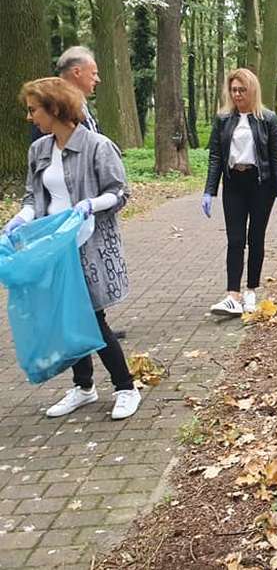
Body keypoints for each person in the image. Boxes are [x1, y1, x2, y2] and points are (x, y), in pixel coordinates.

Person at [2, 78, 141, 420]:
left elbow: (120, 192)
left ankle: (125, 387)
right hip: (53, 245)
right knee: (66, 314)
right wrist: (22, 216)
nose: (30, 117)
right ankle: (84, 386)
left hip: (86, 242)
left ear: (55, 108)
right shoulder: (39, 150)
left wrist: (90, 205)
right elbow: (34, 196)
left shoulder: (97, 146)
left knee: (91, 315)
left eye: (34, 110)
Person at [202, 68, 277, 316]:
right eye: (234, 90)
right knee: (235, 240)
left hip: (261, 185)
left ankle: (251, 289)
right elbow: (215, 157)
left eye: (242, 89)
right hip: (234, 184)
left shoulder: (267, 119)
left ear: (252, 90)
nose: (238, 94)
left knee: (256, 239)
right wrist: (209, 191)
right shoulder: (223, 119)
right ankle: (233, 294)